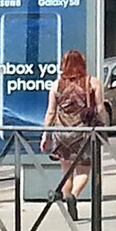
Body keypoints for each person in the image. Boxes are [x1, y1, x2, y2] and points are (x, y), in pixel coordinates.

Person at [38, 48, 104, 215]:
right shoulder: (92, 82)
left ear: (63, 65)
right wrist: (103, 125)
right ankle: (73, 196)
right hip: (83, 132)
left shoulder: (56, 85)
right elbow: (100, 108)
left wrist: (46, 135)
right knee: (84, 170)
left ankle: (68, 203)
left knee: (67, 171)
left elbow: (51, 112)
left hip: (61, 133)